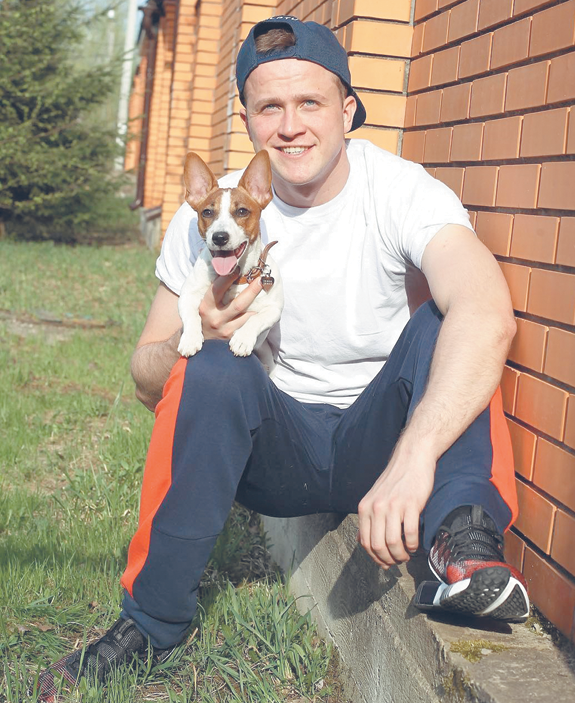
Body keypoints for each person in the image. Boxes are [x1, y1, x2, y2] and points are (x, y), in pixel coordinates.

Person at [36, 16, 529, 700]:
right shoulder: (211, 217)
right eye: (270, 107)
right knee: (211, 365)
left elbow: (488, 312)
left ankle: (463, 546)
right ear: (245, 120)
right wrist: (198, 335)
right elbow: (147, 376)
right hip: (274, 449)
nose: (291, 126)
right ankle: (150, 622)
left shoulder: (402, 191)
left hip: (380, 438)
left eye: (310, 103)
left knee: (452, 323)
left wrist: (415, 455)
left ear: (347, 110)